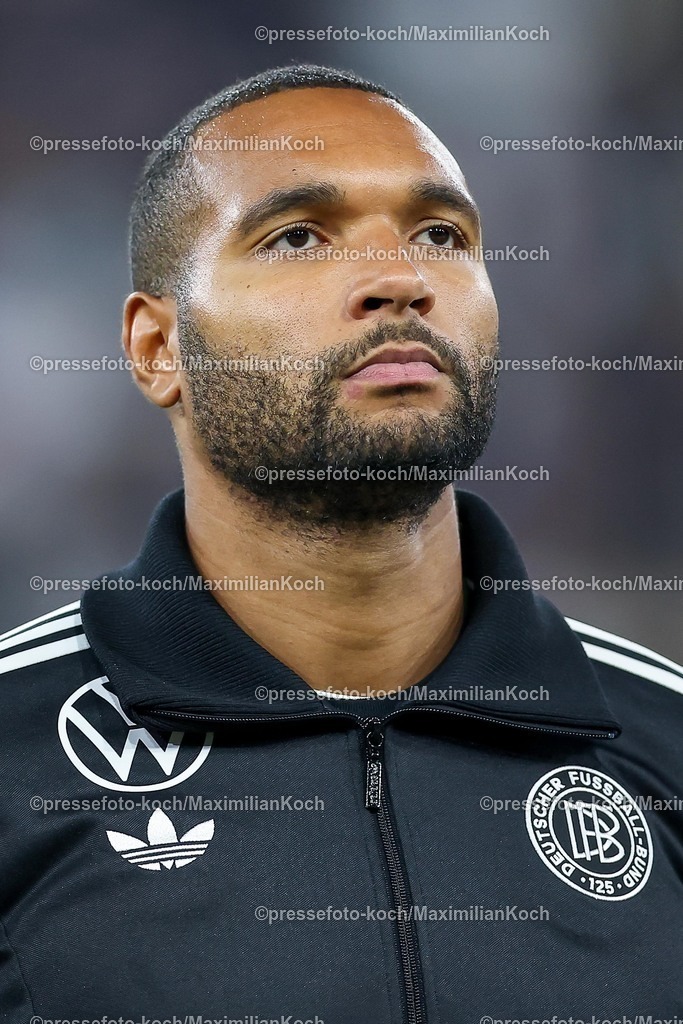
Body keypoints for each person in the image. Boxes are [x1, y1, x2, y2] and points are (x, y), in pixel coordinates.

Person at [1, 64, 681, 1021]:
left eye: (440, 235)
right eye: (297, 237)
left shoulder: (662, 740)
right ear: (160, 350)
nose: (400, 279)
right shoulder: (14, 752)